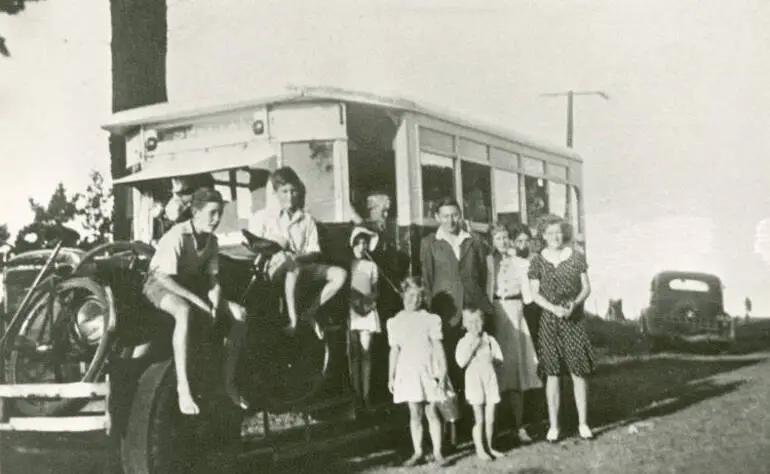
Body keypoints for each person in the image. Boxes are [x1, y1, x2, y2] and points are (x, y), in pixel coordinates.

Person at [142, 188, 247, 415]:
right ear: (195, 212)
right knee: (183, 311)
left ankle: (228, 382)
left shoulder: (211, 241)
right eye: (212, 213)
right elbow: (162, 276)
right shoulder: (177, 236)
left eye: (219, 214)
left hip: (189, 286)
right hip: (160, 285)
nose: (217, 220)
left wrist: (215, 302)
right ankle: (183, 388)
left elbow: (213, 279)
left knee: (240, 315)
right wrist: (198, 302)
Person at [249, 166, 348, 340]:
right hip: (275, 269)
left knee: (340, 274)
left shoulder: (306, 219)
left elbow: (314, 251)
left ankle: (310, 313)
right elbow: (254, 248)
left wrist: (298, 257)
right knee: (291, 265)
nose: (289, 196)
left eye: (293, 191)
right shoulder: (263, 217)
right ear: (276, 193)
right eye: (284, 191)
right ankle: (293, 320)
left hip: (303, 265)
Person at [528, 214, 594, 442]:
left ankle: (583, 423)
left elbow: (586, 287)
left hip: (573, 319)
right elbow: (534, 293)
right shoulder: (537, 261)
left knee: (578, 372)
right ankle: (554, 426)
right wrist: (553, 309)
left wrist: (574, 304)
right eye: (550, 233)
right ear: (543, 236)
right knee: (552, 374)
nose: (555, 237)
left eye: (558, 232)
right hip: (549, 320)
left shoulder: (575, 256)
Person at [420, 197, 494, 393]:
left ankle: (474, 414)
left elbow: (482, 276)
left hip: (472, 313)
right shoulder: (430, 244)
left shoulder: (473, 242)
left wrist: (481, 306)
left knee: (475, 363)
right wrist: (430, 313)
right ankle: (456, 419)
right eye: (445, 216)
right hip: (447, 313)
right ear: (437, 217)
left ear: (460, 216)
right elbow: (427, 280)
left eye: (454, 215)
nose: (450, 221)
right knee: (451, 363)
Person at [486, 223, 541, 445]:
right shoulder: (489, 262)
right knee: (499, 369)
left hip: (516, 310)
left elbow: (530, 295)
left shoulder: (520, 263)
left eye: (506, 237)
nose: (503, 241)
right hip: (498, 313)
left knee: (517, 370)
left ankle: (520, 427)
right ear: (492, 241)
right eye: (498, 238)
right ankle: (495, 429)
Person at [387, 276, 448, 467]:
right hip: (409, 371)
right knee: (415, 413)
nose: (414, 300)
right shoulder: (395, 321)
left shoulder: (430, 319)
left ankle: (437, 452)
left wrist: (443, 370)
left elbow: (438, 346)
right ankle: (418, 451)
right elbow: (394, 350)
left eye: (419, 296)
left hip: (428, 369)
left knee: (432, 412)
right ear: (403, 295)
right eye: (411, 295)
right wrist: (391, 375)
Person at [455, 307, 504, 461]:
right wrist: (473, 346)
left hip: (489, 380)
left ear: (483, 322)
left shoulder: (490, 340)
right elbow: (461, 362)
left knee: (490, 418)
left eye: (478, 321)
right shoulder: (463, 342)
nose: (475, 325)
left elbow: (499, 359)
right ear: (465, 324)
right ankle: (480, 448)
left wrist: (491, 361)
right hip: (474, 382)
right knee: (479, 418)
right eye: (470, 322)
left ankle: (490, 446)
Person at [348, 226, 381, 411]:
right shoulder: (349, 264)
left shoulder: (372, 266)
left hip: (367, 311)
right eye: (358, 243)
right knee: (355, 354)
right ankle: (356, 396)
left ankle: (366, 396)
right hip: (352, 311)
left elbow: (376, 290)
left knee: (366, 354)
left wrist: (369, 301)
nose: (362, 246)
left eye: (365, 243)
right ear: (352, 244)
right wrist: (354, 302)